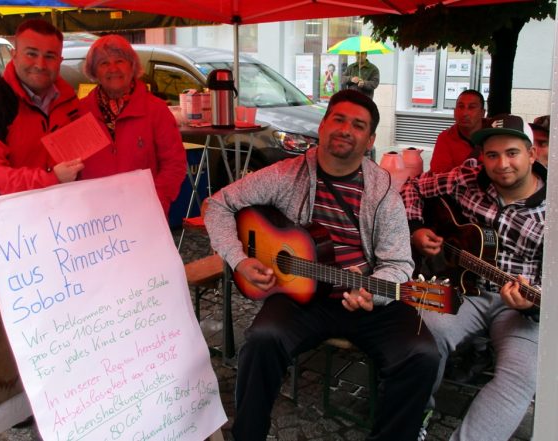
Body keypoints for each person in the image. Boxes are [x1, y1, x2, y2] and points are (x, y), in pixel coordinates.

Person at [204, 89, 440, 441]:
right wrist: (239, 260)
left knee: (422, 355)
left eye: (358, 125)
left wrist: (372, 294)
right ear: (324, 123)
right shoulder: (286, 174)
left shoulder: (383, 191)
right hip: (302, 295)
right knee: (262, 340)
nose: (346, 129)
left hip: (365, 295)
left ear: (370, 139)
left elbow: (399, 263)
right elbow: (218, 204)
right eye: (339, 119)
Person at [402, 114, 544, 441]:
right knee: (423, 329)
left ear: (531, 154)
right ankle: (416, 415)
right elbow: (411, 187)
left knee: (521, 375)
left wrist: (531, 301)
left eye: (512, 153)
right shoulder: (466, 178)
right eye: (492, 155)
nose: (502, 164)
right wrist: (417, 229)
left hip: (519, 309)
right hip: (464, 288)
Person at [0, 19, 83, 267]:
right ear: (14, 55)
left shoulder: (69, 100)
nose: (40, 64)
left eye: (49, 56)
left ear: (60, 60)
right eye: (31, 54)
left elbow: (76, 158)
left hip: (51, 226)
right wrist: (50, 178)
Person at [79, 34, 186, 216]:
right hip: (94, 219)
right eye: (103, 63)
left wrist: (157, 201)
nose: (113, 68)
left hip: (144, 215)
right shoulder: (79, 113)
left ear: (132, 66)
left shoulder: (156, 109)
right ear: (94, 71)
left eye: (120, 61)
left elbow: (174, 164)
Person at [429, 89, 486, 173]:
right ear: (454, 111)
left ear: (482, 113)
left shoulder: (494, 133)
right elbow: (439, 176)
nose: (465, 113)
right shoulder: (445, 137)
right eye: (461, 106)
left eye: (471, 107)